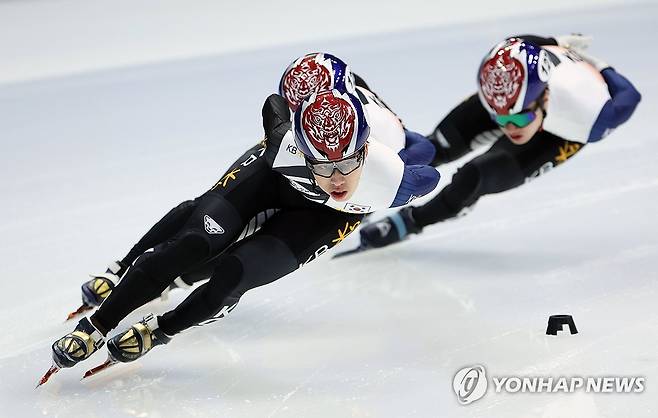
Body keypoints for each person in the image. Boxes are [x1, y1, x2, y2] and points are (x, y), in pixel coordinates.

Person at [42, 57, 441, 383]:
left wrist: (404, 157)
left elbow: (429, 163)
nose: (336, 178)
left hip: (322, 218)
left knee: (236, 273)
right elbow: (274, 103)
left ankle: (161, 329)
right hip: (274, 178)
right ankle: (99, 319)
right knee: (195, 239)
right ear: (300, 142)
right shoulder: (282, 143)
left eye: (347, 162)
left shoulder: (386, 174)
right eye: (323, 163)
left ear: (366, 150)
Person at [357, 34, 641, 250]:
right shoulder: (503, 85)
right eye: (499, 118)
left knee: (475, 176)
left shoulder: (588, 115)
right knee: (432, 149)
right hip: (522, 97)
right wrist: (552, 41)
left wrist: (600, 66)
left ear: (545, 98)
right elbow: (519, 43)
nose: (507, 127)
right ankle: (368, 196)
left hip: (560, 130)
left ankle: (410, 222)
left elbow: (630, 96)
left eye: (516, 120)